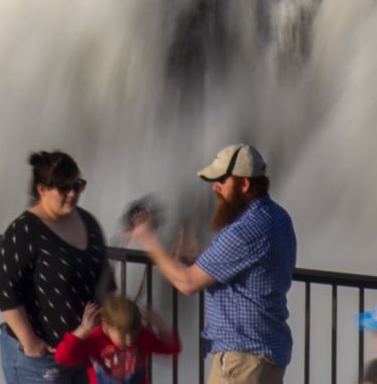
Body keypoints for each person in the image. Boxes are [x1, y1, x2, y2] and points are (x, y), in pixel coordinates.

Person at [124, 143, 296, 384]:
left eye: (222, 180)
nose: (215, 187)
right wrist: (201, 260)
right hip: (266, 354)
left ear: (244, 184)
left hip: (242, 361)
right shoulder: (278, 217)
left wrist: (148, 239)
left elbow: (186, 282)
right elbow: (251, 266)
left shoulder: (244, 231)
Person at [0, 150, 110, 384]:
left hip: (83, 350)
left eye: (77, 186)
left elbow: (105, 278)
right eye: (64, 188)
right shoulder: (25, 230)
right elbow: (5, 289)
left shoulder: (88, 222)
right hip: (42, 359)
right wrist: (30, 342)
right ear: (42, 190)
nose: (72, 194)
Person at [55, 294, 183, 383]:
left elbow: (172, 348)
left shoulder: (142, 335)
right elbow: (62, 357)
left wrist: (160, 324)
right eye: (123, 335)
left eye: (133, 334)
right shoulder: (93, 340)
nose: (129, 341)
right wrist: (83, 329)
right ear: (105, 324)